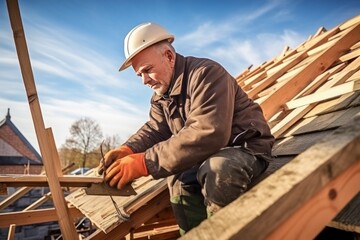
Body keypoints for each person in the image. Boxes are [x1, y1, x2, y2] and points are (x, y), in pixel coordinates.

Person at [99, 22, 274, 235]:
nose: (144, 80)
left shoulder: (206, 74)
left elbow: (209, 133)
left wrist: (144, 162)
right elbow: (156, 129)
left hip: (245, 148)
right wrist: (128, 149)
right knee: (178, 178)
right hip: (209, 152)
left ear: (169, 57)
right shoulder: (161, 96)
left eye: (148, 70)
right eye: (139, 75)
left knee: (218, 169)